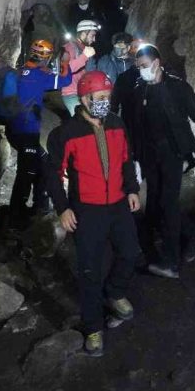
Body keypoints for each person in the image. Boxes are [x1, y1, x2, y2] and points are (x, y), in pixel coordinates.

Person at [45, 70, 141, 357]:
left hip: (118, 204)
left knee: (130, 252)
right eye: (99, 98)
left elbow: (126, 159)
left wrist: (133, 189)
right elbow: (52, 173)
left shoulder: (116, 123)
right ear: (84, 98)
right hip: (87, 210)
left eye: (106, 97)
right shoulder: (66, 133)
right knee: (89, 270)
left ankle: (114, 291)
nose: (104, 102)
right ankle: (93, 328)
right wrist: (63, 208)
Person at [128, 43, 195, 278]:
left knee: (168, 202)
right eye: (138, 67)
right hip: (150, 155)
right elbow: (136, 126)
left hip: (174, 153)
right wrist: (134, 157)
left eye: (144, 66)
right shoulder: (140, 91)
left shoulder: (178, 88)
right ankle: (190, 235)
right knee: (155, 202)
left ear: (157, 63)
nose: (141, 70)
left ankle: (171, 262)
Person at [6, 38, 71, 226]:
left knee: (42, 164)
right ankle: (16, 217)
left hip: (15, 128)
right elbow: (65, 80)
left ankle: (39, 205)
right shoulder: (39, 75)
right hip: (26, 131)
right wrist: (65, 61)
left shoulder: (19, 71)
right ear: (45, 57)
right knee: (26, 172)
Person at [61, 19, 99, 115]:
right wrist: (85, 56)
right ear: (83, 34)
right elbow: (67, 69)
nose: (94, 40)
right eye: (92, 35)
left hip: (83, 92)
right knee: (81, 122)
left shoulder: (85, 49)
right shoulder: (70, 47)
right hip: (71, 93)